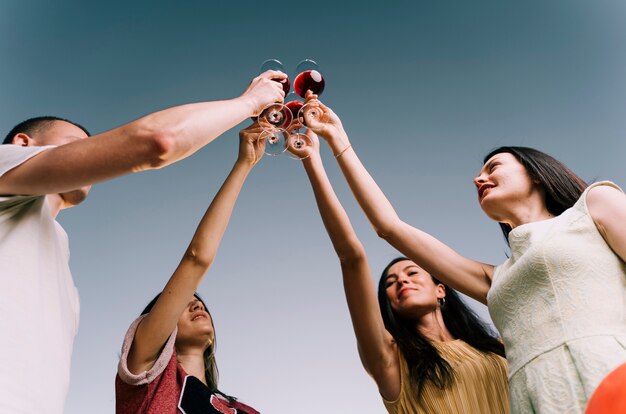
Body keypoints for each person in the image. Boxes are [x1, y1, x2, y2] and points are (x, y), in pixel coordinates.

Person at [300, 95, 626, 413]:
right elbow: (389, 227)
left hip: (609, 378)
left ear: (535, 173)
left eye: (493, 167)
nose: (478, 178)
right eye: (478, 174)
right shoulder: (497, 280)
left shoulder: (593, 206)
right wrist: (338, 142)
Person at [0, 72, 285, 414]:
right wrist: (249, 103)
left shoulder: (59, 267)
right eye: (75, 143)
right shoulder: (5, 166)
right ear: (22, 144)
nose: (87, 153)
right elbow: (158, 141)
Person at [288, 131, 508, 413]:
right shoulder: (391, 359)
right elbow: (351, 257)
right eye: (391, 283)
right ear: (389, 304)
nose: (402, 280)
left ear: (441, 288)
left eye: (413, 273)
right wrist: (312, 160)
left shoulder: (498, 347)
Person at [116, 123, 264, 413]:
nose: (197, 306)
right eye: (185, 302)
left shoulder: (246, 411)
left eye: (198, 302)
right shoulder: (148, 378)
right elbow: (197, 258)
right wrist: (244, 164)